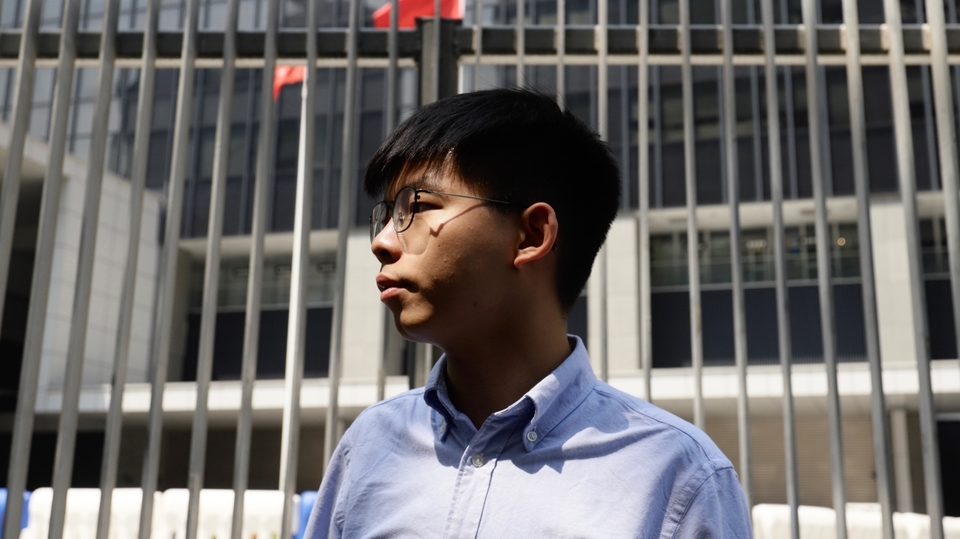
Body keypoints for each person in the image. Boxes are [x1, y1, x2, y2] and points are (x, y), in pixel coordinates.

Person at [303, 88, 752, 538]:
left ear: (532, 235)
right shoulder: (370, 444)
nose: (382, 241)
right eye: (386, 215)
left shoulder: (678, 477)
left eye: (416, 208)